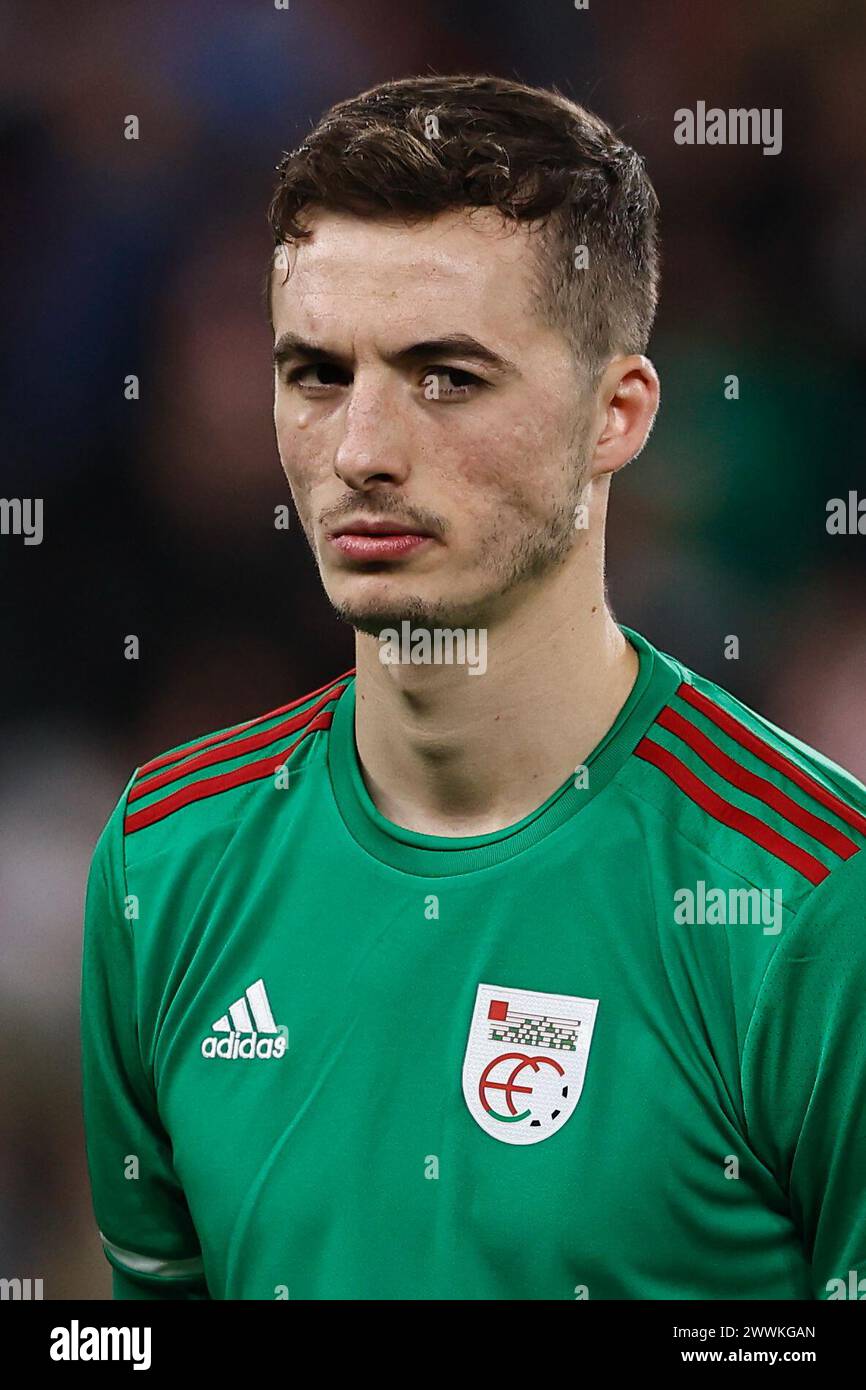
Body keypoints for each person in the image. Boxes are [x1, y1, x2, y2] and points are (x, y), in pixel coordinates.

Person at [81, 74, 866, 1301]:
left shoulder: (813, 903)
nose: (360, 451)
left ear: (616, 414)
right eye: (316, 372)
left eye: (446, 375)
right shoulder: (164, 860)